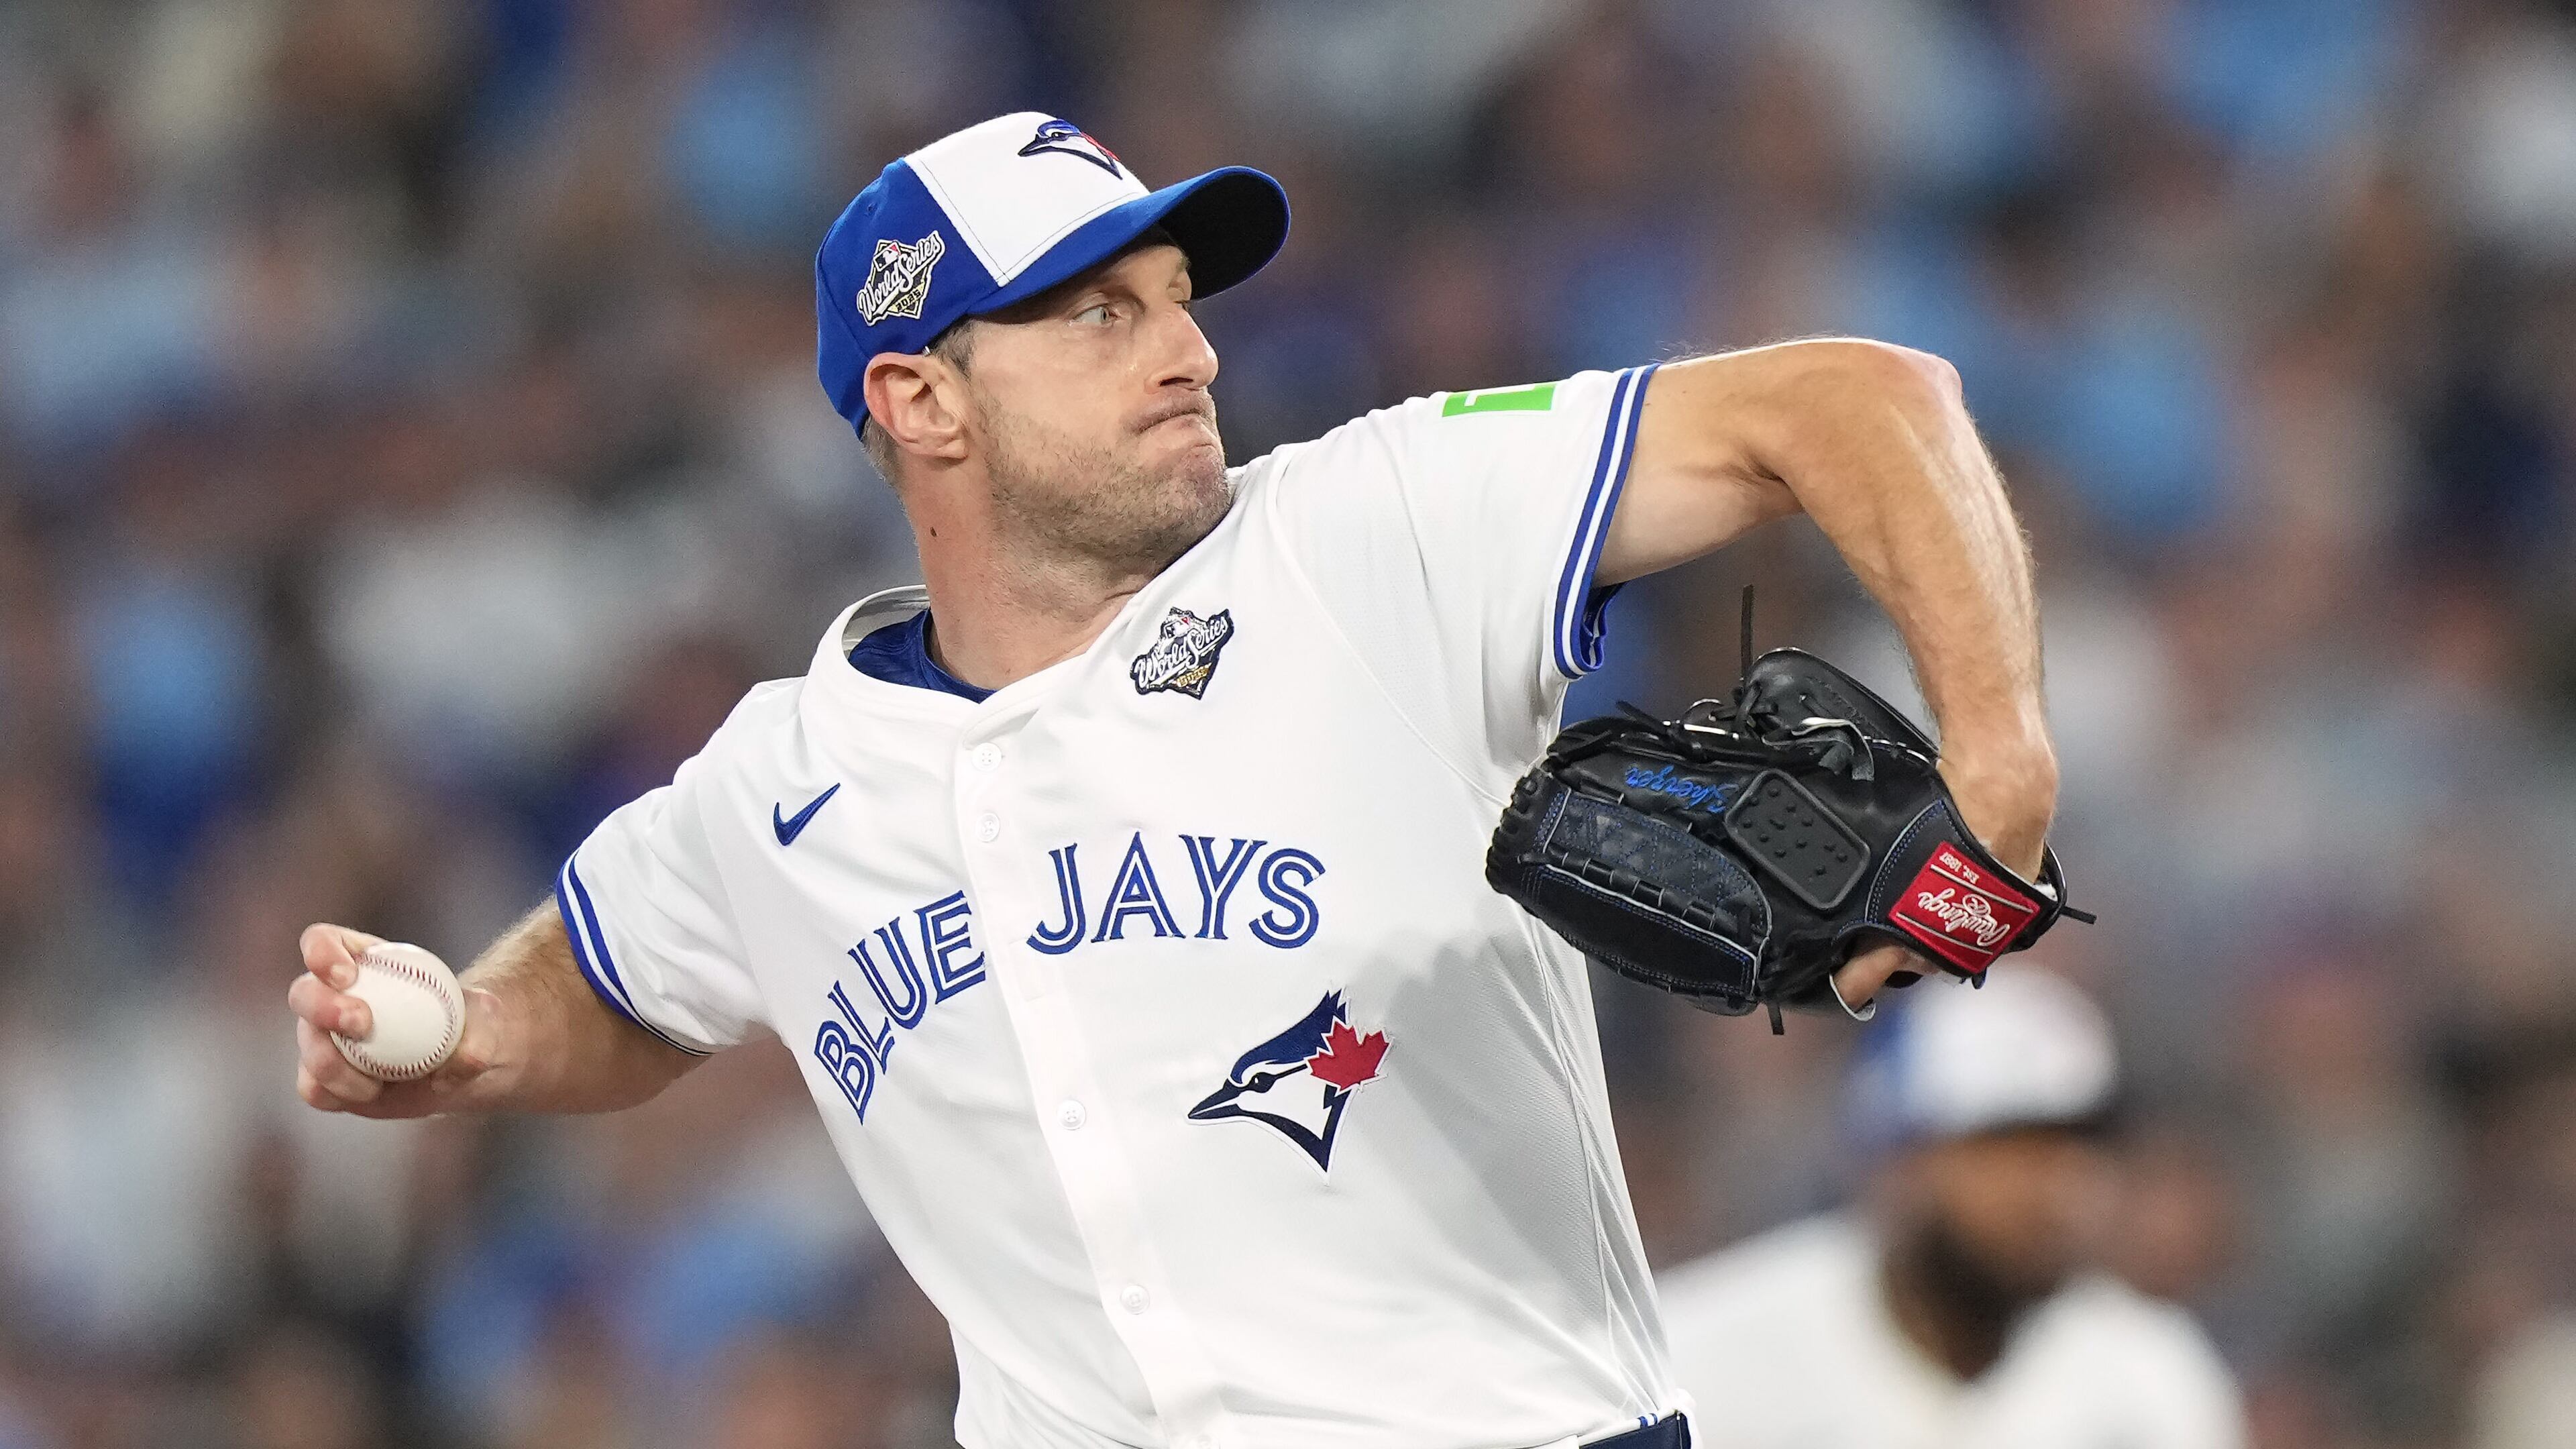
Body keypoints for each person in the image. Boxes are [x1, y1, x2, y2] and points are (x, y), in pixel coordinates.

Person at [286, 112, 2061, 1449]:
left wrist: (1998, 759)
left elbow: (1857, 401)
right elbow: (610, 980)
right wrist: (463, 1035)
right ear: (920, 398)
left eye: (1181, 302)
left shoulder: (1362, 533)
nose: (1191, 350)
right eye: (1101, 312)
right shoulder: (781, 781)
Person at [1656, 970, 2244, 1449]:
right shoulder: (1702, 1355)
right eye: (2009, 1147)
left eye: (2079, 1149)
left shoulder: (2151, 1373)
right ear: (1898, 1162)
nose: (2057, 1189)